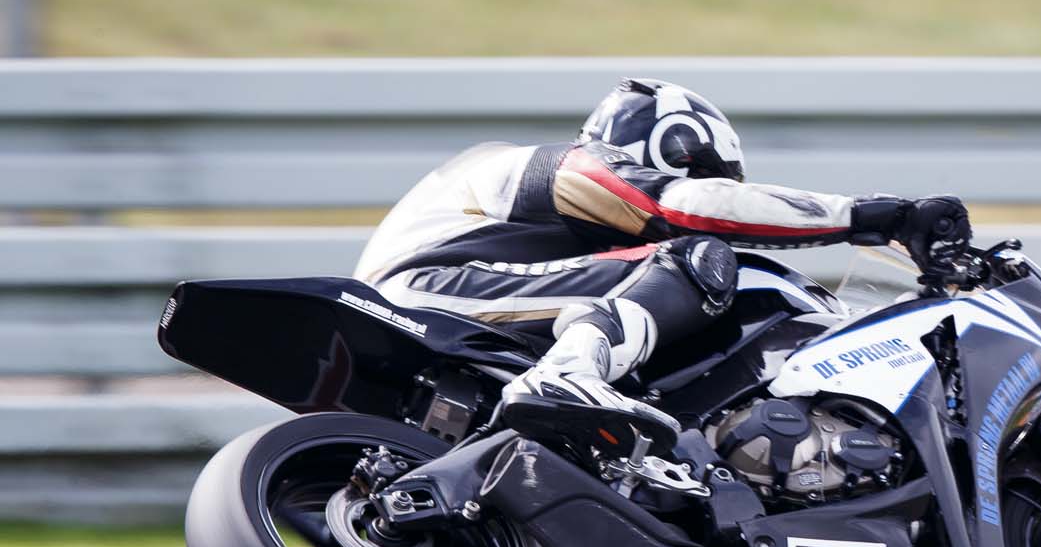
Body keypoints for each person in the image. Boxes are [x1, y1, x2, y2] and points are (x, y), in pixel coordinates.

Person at [354, 77, 970, 450]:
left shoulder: (562, 241)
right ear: (676, 146)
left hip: (452, 315)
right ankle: (567, 375)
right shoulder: (549, 163)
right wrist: (877, 217)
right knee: (699, 256)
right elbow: (682, 207)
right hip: (430, 291)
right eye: (716, 177)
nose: (722, 192)